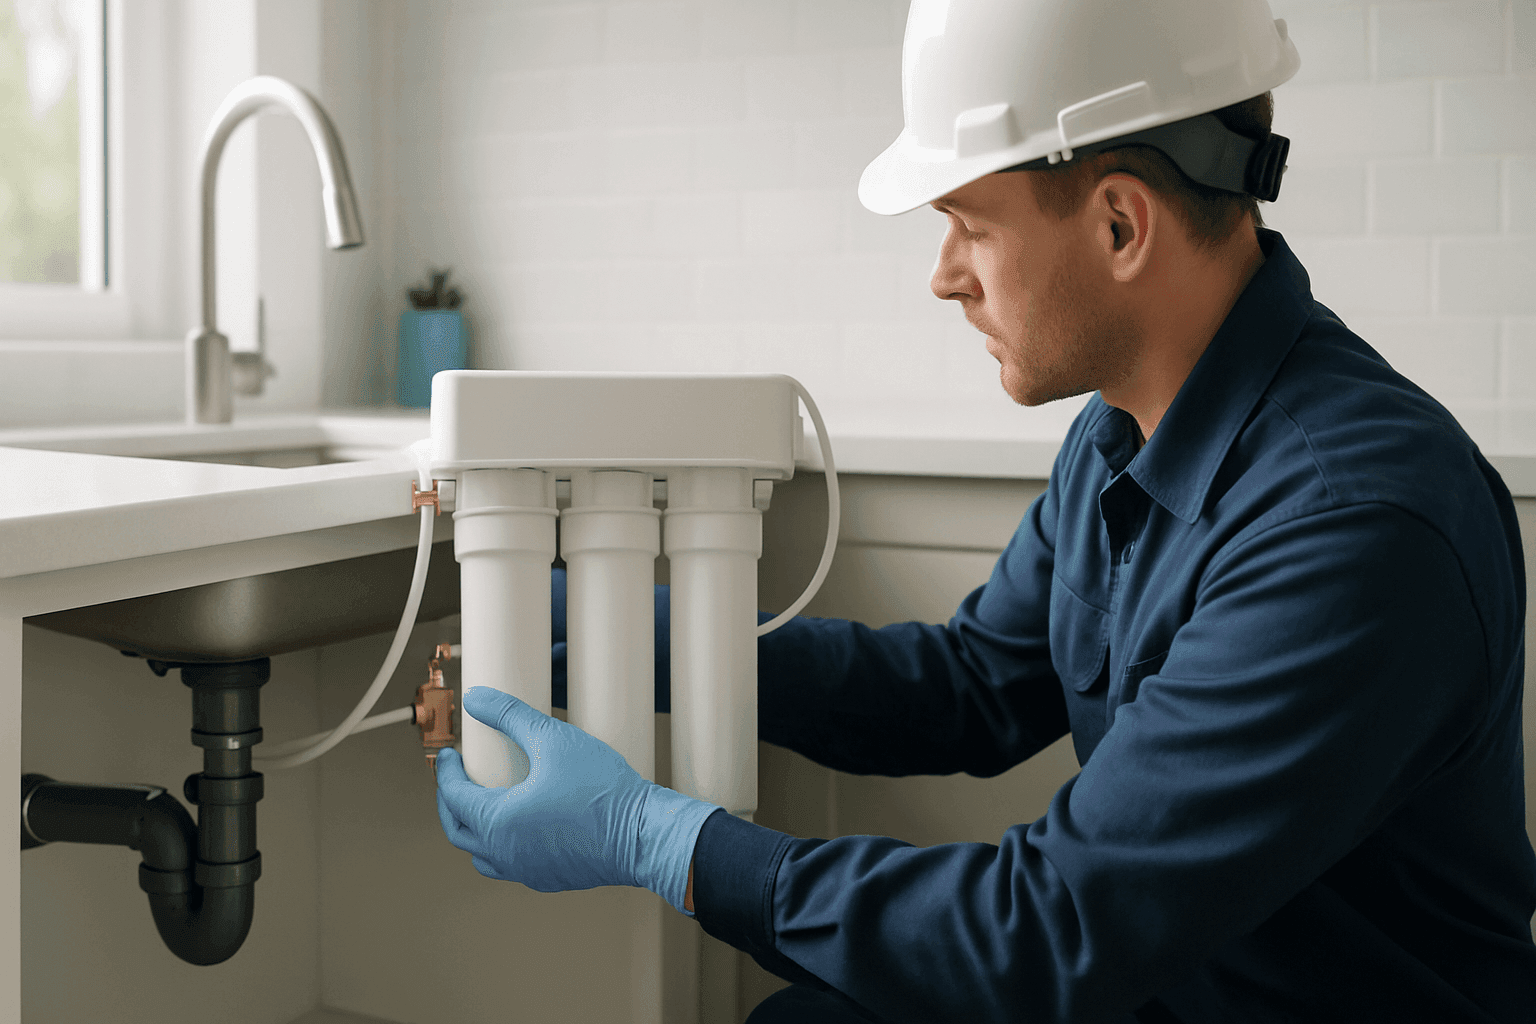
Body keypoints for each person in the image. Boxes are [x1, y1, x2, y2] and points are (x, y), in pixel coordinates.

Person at [434, 1, 1536, 1020]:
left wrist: (657, 838)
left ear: (1119, 226)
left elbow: (1052, 927)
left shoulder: (1351, 525)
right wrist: (662, 637)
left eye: (970, 222)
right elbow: (968, 688)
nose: (945, 274)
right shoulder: (1123, 432)